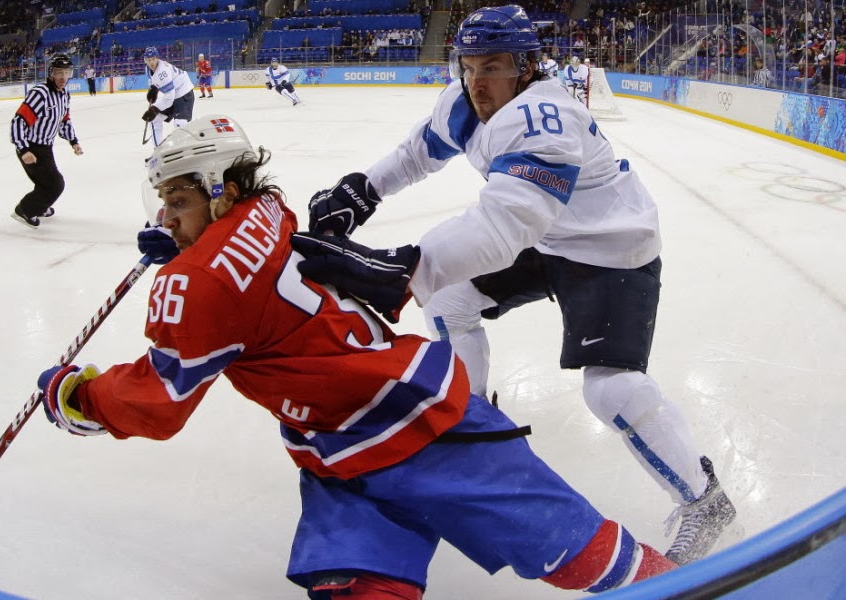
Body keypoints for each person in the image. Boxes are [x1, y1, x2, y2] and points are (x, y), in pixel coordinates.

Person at [37, 114, 677, 598]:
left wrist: (75, 397)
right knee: (359, 583)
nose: (167, 216)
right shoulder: (266, 209)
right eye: (165, 204)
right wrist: (186, 238)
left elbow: (160, 399)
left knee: (580, 552)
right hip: (342, 442)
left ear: (220, 190)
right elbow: (240, 263)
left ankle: (704, 586)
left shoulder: (201, 284)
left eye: (177, 202)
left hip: (421, 426)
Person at [298, 4, 737, 567]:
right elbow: (417, 153)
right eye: (470, 66)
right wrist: (362, 189)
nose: (478, 82)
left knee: (611, 389)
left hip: (611, 249)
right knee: (451, 298)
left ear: (527, 66)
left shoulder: (547, 117)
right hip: (550, 236)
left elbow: (503, 229)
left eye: (494, 67)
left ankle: (706, 501)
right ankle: (471, 416)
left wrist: (401, 269)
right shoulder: (464, 101)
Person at [9, 53, 83, 228]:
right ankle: (25, 210)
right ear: (51, 73)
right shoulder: (40, 93)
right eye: (59, 72)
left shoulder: (64, 95)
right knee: (55, 185)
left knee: (45, 182)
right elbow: (18, 121)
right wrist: (24, 149)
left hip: (46, 148)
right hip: (31, 147)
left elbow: (64, 120)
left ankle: (40, 207)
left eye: (67, 72)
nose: (63, 77)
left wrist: (73, 141)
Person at [142, 46, 195, 147]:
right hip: (174, 94)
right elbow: (155, 81)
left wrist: (154, 109)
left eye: (153, 59)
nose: (151, 62)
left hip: (184, 94)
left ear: (157, 58)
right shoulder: (148, 69)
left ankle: (182, 151)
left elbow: (169, 99)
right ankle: (158, 151)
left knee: (180, 125)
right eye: (149, 60)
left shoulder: (163, 72)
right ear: (145, 60)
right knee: (155, 119)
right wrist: (154, 89)